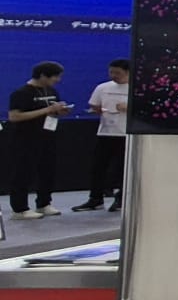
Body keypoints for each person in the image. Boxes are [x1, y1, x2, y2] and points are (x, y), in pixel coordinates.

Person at [7, 61, 71, 221]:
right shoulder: (21, 93)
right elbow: (14, 116)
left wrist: (60, 111)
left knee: (47, 171)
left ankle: (44, 203)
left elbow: (50, 113)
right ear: (43, 75)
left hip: (48, 136)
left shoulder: (51, 91)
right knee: (23, 173)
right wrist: (47, 110)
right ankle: (20, 209)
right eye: (55, 77)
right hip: (25, 139)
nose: (58, 80)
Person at [73, 58, 130, 213]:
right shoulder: (103, 87)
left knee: (122, 169)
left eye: (117, 73)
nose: (114, 75)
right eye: (111, 72)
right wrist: (97, 110)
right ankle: (95, 198)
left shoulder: (136, 89)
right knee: (98, 167)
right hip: (106, 131)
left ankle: (121, 198)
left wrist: (129, 107)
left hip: (126, 133)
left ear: (127, 72)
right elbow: (94, 104)